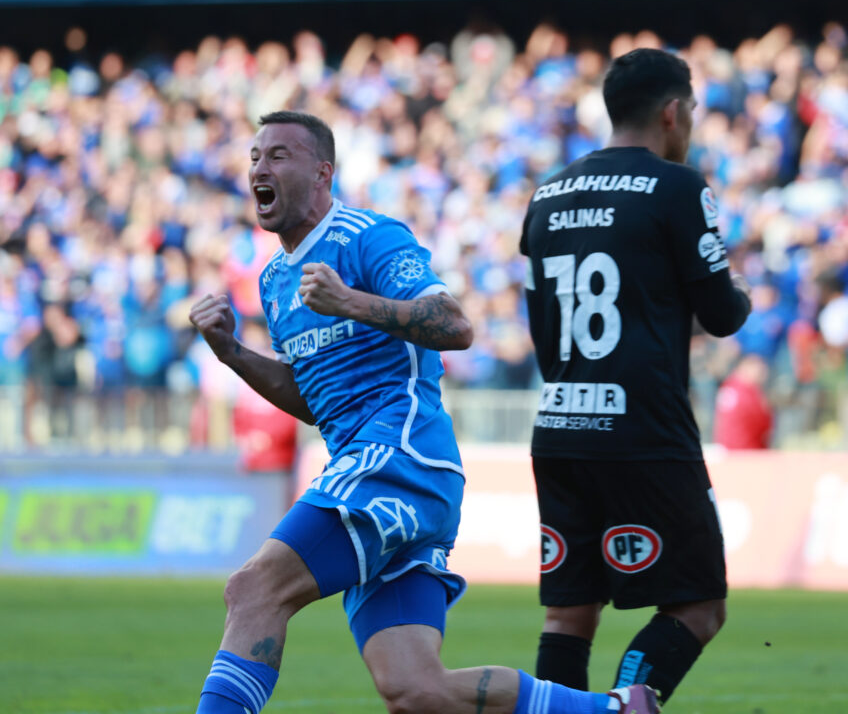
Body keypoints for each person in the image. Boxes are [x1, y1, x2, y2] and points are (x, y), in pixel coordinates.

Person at [188, 110, 658, 714]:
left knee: (254, 589)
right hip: (386, 471)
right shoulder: (277, 280)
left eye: (279, 155)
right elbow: (315, 401)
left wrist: (351, 301)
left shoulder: (368, 237)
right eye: (255, 156)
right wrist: (231, 353)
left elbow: (456, 325)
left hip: (401, 456)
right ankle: (618, 710)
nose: (260, 166)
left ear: (323, 171)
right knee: (417, 689)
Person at [520, 48, 752, 703]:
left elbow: (541, 328)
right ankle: (625, 707)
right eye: (695, 114)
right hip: (644, 430)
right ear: (673, 113)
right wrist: (741, 293)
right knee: (699, 606)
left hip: (561, 424)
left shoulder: (547, 194)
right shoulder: (678, 187)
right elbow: (722, 314)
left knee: (570, 613)